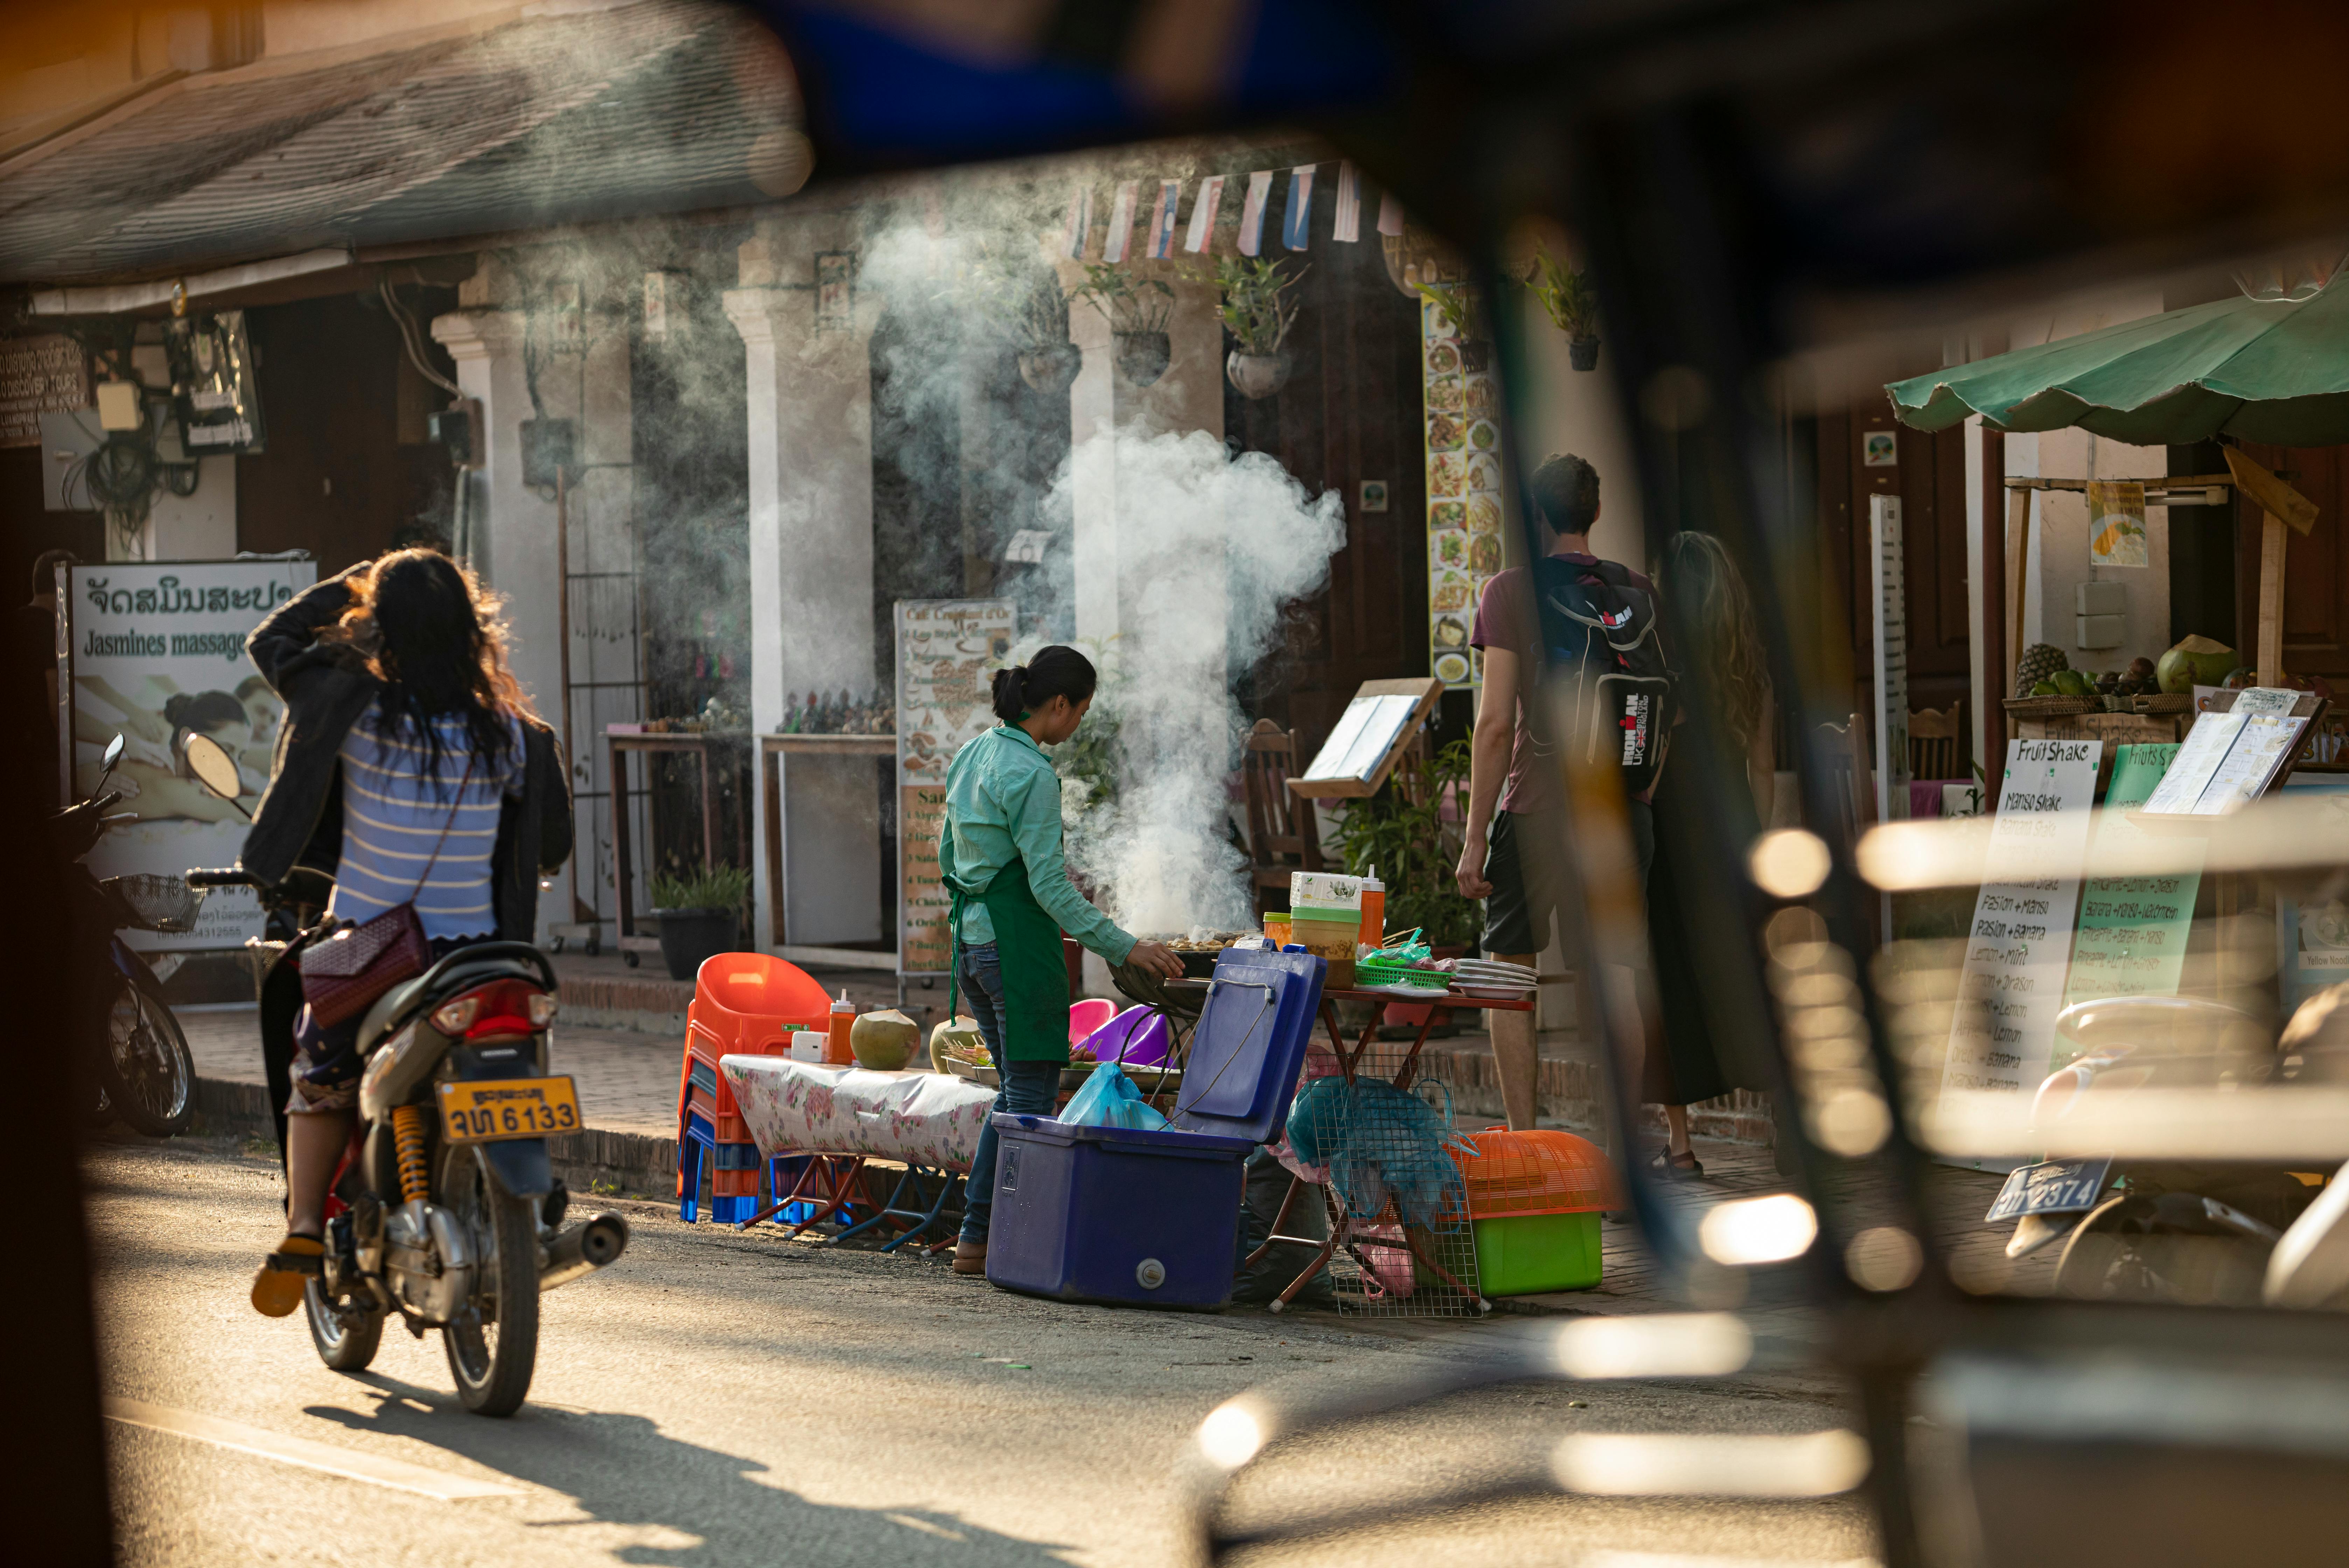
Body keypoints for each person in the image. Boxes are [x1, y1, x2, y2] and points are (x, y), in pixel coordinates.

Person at [245, 549, 571, 1316]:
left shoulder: (351, 708)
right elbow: (550, 845)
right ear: (471, 628)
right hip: (484, 959)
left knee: (314, 1075)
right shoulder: (514, 737)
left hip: (372, 951)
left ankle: (300, 1226)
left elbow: (273, 642)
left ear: (377, 625)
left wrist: (355, 580)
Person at [939, 645, 1182, 1278]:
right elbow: (1049, 887)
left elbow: (949, 852)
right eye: (1080, 712)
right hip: (1014, 949)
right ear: (1057, 705)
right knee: (1026, 1095)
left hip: (971, 944)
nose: (1078, 726)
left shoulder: (975, 752)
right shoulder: (1032, 774)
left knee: (1015, 1092)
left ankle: (982, 1235)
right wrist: (1125, 946)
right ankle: (981, 1235)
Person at [1454, 453, 1668, 1131]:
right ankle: (1623, 1157)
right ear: (1596, 512)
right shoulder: (1636, 589)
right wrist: (1642, 795)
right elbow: (1671, 714)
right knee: (1617, 977)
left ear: (1537, 515)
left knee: (1510, 972)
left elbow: (1493, 725)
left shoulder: (1510, 591)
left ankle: (1524, 1139)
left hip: (1539, 808)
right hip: (1623, 810)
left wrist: (1472, 839)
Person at [1642, 531, 1775, 1176]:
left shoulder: (1658, 664)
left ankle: (1681, 1146)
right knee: (1755, 978)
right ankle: (1787, 1128)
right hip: (1737, 834)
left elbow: (1653, 764)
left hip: (1672, 836)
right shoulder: (1746, 661)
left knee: (1669, 981)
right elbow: (1764, 767)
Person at [20, 547, 76, 811]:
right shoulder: (52, 630)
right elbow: (57, 705)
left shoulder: (11, 622)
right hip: (45, 759)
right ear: (63, 584)